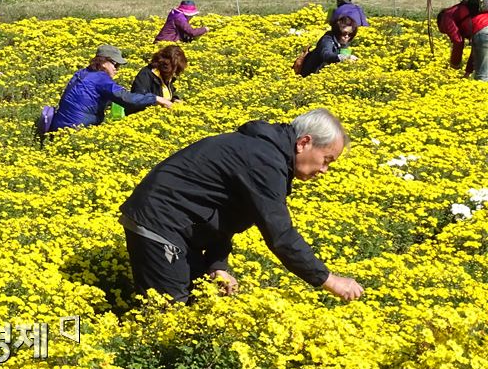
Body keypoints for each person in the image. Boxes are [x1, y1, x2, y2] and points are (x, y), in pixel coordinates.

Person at [120, 107, 364, 304]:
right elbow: (280, 235)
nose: (324, 170)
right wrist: (328, 280)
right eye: (326, 160)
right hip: (160, 221)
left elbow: (224, 216)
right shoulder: (264, 161)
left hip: (176, 224)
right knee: (169, 311)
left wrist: (217, 265)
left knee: (202, 296)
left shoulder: (266, 153)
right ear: (304, 143)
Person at [49, 44, 173, 131]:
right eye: (116, 64)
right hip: (77, 128)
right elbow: (127, 99)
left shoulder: (82, 73)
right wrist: (156, 98)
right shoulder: (101, 79)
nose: (117, 69)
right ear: (103, 62)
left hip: (59, 126)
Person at [128, 45, 188, 114]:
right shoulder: (146, 74)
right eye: (174, 69)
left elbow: (166, 95)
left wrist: (174, 99)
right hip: (146, 115)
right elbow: (138, 98)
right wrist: (157, 100)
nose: (174, 73)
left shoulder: (167, 76)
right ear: (166, 64)